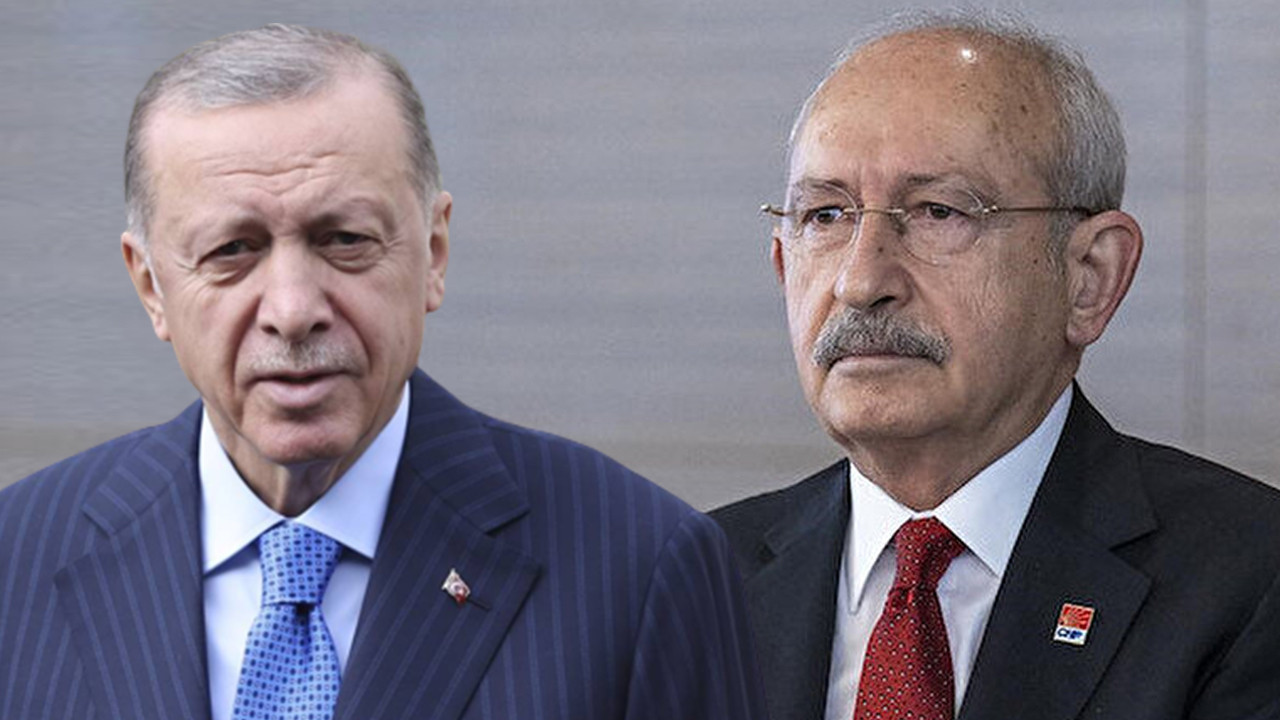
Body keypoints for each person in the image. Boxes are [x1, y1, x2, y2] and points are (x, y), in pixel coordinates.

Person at [0, 24, 763, 720]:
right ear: (150, 286)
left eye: (344, 239)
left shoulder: (637, 564)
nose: (293, 310)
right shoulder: (17, 558)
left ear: (433, 252)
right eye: (232, 250)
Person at [711, 11, 1280, 720]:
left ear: (1090, 278)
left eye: (938, 211)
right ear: (782, 264)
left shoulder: (1250, 585)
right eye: (825, 216)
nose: (860, 282)